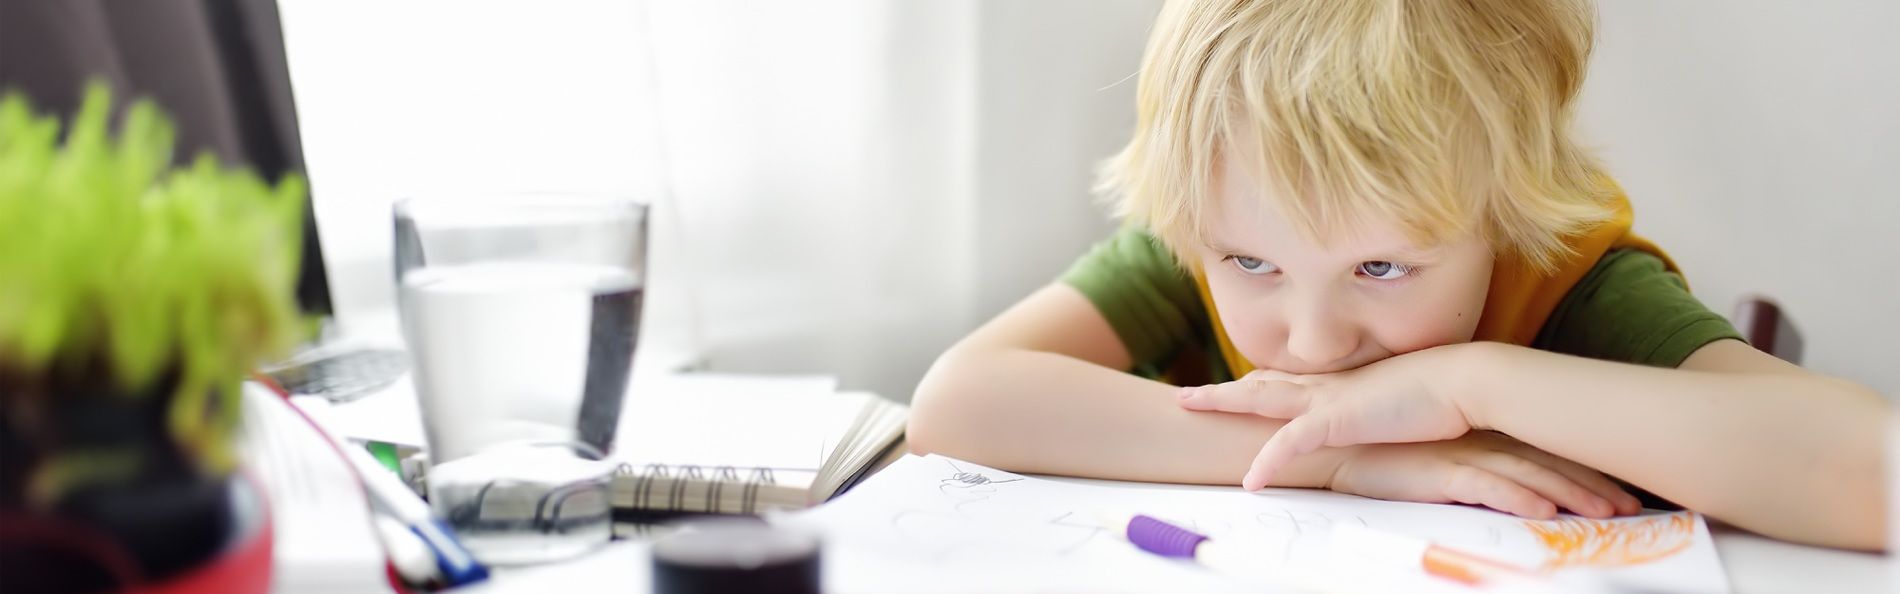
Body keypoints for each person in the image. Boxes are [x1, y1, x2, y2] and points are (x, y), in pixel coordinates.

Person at [907, 0, 1887, 551]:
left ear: (1497, 222)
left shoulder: (1564, 288)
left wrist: (1469, 384)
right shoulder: (1189, 254)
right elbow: (957, 404)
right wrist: (1336, 456)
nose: (1313, 338)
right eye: (1251, 263)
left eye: (1381, 266)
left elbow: (1868, 476)